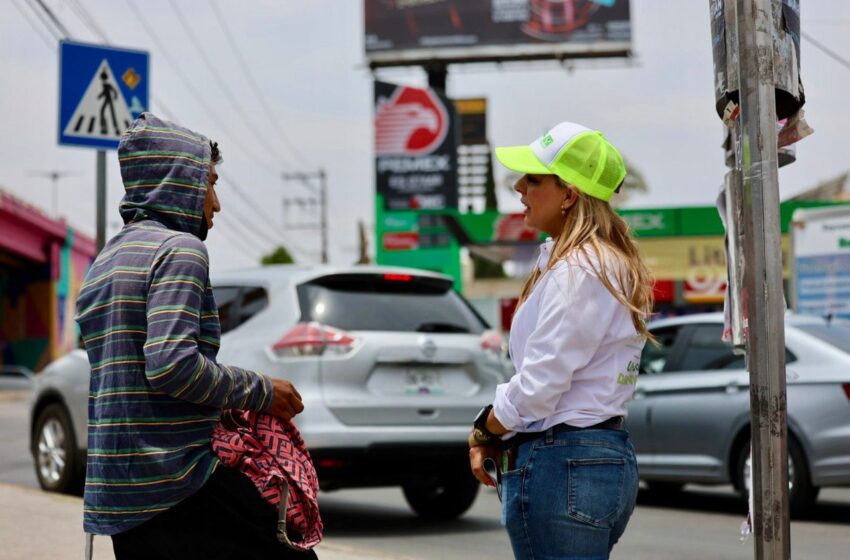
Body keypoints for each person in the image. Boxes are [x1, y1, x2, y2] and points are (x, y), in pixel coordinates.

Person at [75, 113, 315, 559]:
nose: (216, 203)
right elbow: (171, 365)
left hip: (121, 495)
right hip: (178, 481)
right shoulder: (180, 251)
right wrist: (262, 391)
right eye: (210, 183)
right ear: (178, 180)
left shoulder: (104, 263)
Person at [467, 121, 654, 559]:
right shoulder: (606, 263)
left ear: (569, 194)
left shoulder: (580, 268)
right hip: (597, 455)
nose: (519, 187)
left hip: (564, 460)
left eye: (533, 179)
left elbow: (538, 386)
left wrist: (483, 430)